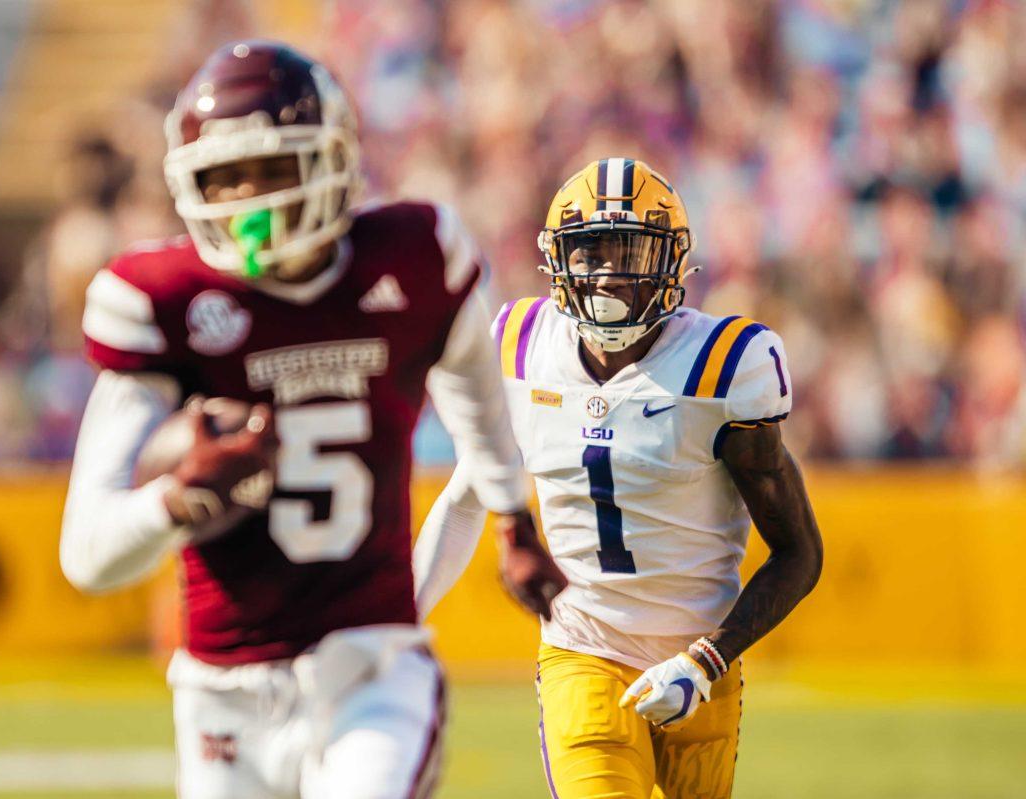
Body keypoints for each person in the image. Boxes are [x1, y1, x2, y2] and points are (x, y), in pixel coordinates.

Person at [59, 40, 565, 799]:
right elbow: (88, 556)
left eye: (271, 170)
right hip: (221, 695)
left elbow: (471, 382)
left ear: (332, 162)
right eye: (224, 179)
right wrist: (177, 498)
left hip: (370, 667)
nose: (249, 203)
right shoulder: (162, 299)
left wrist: (510, 513)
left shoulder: (412, 255)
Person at [414, 158, 823, 799]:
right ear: (558, 262)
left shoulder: (725, 367)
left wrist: (705, 660)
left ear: (671, 263)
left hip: (703, 663)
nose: (609, 273)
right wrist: (401, 619)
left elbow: (800, 553)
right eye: (591, 252)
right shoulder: (522, 346)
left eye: (631, 251)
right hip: (582, 647)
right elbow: (467, 498)